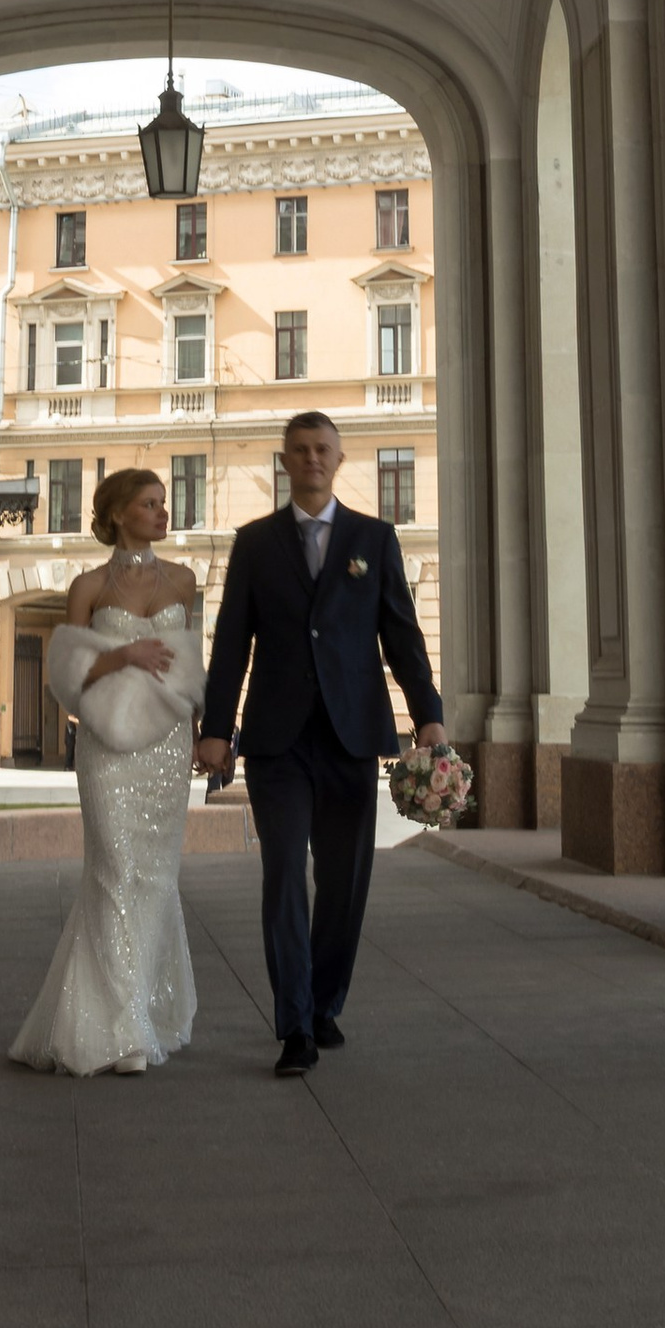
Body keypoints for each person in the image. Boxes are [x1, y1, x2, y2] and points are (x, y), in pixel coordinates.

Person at [197, 410, 450, 1076]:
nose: (311, 459)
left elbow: (401, 636)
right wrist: (217, 730)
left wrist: (428, 715)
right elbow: (230, 645)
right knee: (284, 875)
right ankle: (294, 1026)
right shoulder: (254, 544)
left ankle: (325, 1001)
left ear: (339, 460)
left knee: (344, 883)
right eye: (300, 450)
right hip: (277, 742)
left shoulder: (375, 538)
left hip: (351, 737)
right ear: (284, 462)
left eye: (322, 450)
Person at [8, 467, 202, 1077]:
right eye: (149, 504)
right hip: (106, 751)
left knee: (155, 878)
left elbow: (192, 669)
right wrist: (122, 653)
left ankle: (140, 1012)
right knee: (115, 872)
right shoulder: (87, 586)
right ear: (118, 513)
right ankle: (122, 1031)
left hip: (168, 748)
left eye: (163, 504)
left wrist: (202, 735)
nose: (162, 514)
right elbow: (68, 677)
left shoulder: (185, 580)